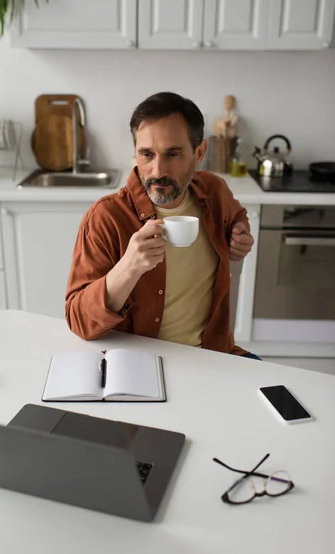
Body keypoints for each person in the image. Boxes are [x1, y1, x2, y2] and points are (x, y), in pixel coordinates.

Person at [65, 92, 255, 357]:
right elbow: (79, 322)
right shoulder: (106, 217)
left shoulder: (214, 191)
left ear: (199, 152)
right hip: (139, 364)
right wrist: (128, 268)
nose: (157, 171)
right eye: (146, 154)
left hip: (215, 354)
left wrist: (240, 234)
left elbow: (238, 216)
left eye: (173, 154)